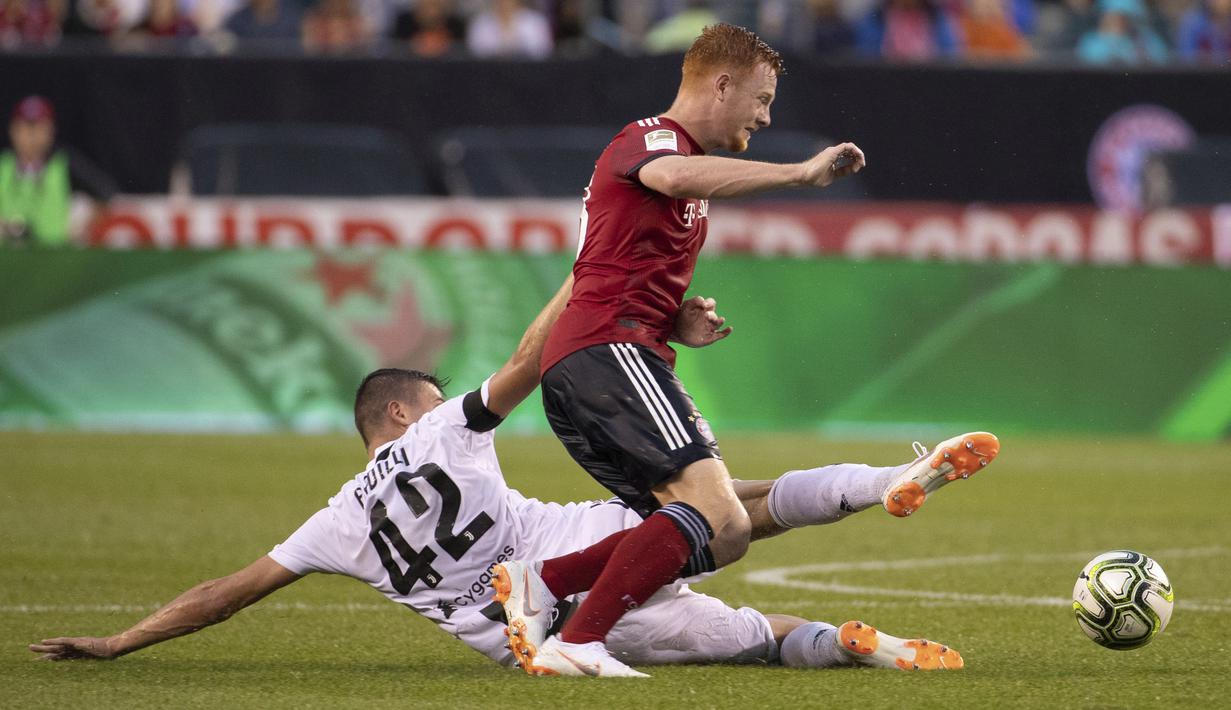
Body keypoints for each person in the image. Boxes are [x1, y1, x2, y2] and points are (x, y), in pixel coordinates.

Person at [27, 273, 995, 675]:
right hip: (557, 552)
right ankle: (877, 483)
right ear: (400, 412)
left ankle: (855, 643)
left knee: (753, 636)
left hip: (516, 636)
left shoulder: (334, 523)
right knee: (720, 508)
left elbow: (227, 592)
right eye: (431, 393)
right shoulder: (440, 431)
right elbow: (532, 356)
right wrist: (594, 267)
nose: (443, 399)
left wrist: (121, 641)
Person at [492, 22, 993, 678]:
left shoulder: (673, 166)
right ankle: (574, 636)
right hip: (608, 352)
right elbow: (672, 176)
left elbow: (611, 262)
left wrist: (672, 318)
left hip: (604, 354)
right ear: (721, 85)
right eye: (761, 99)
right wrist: (797, 172)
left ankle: (547, 583)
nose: (765, 116)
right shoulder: (654, 139)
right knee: (715, 515)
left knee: (723, 524)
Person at [0, 95, 116, 246]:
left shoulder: (64, 164)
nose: (33, 136)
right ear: (13, 130)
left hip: (53, 253)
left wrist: (83, 228)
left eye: (40, 128)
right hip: (8, 253)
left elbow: (106, 194)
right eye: (27, 128)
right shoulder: (4, 165)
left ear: (51, 131)